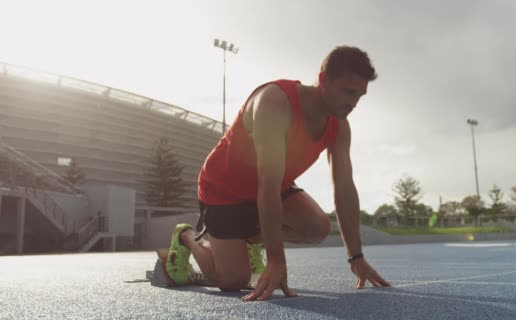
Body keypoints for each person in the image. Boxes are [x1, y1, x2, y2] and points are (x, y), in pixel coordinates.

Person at [165, 45, 391, 301]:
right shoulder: (274, 102)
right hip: (223, 190)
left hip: (273, 186)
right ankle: (186, 237)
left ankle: (247, 241)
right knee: (232, 280)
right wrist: (275, 260)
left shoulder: (339, 126)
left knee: (317, 227)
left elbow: (344, 189)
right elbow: (267, 184)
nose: (353, 103)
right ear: (323, 79)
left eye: (360, 95)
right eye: (348, 92)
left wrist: (356, 257)